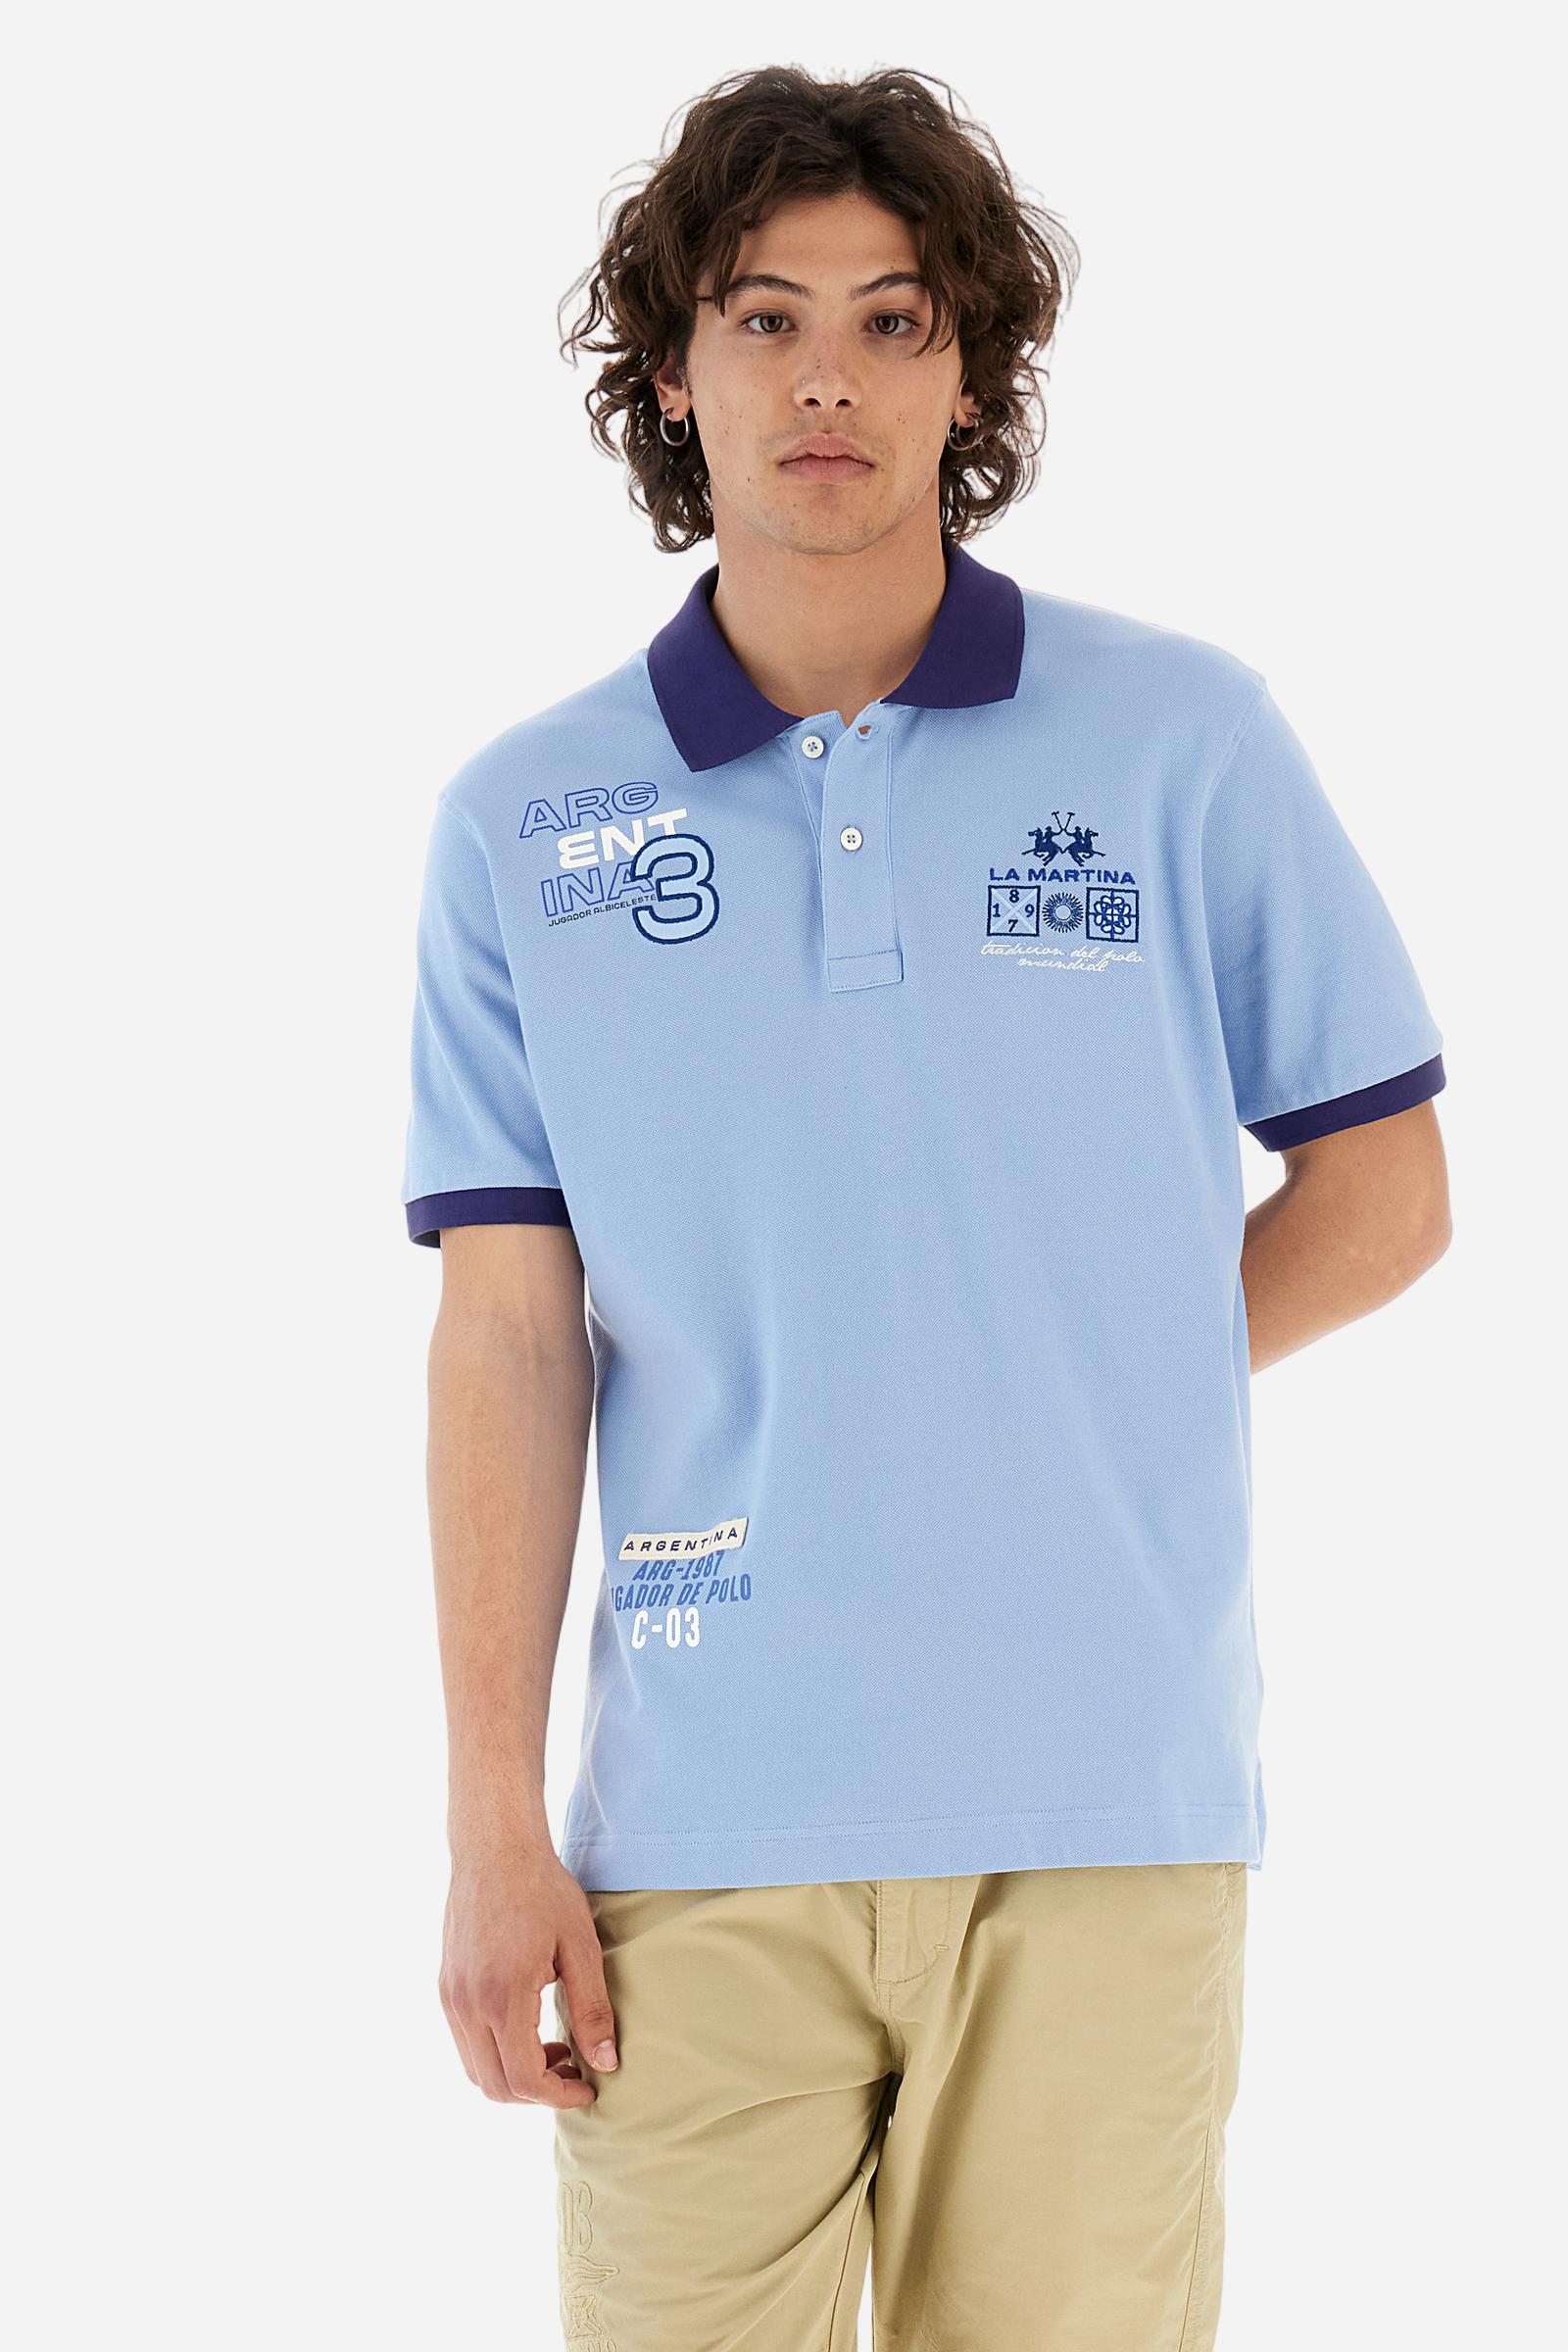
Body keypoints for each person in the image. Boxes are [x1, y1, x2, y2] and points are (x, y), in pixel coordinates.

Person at [401, 64, 1450, 2352]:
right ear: (668, 372)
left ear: (969, 373)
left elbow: (1383, 1191)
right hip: (696, 1833)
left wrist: (1069, 1376)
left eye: (891, 322)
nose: (825, 381)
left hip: (1101, 1810)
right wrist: (491, 1820)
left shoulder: (1181, 745)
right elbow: (507, 1330)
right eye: (762, 319)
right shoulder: (523, 824)